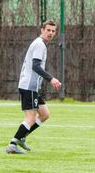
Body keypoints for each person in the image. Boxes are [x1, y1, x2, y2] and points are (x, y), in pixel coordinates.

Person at [6, 20, 62, 154]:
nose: (50, 33)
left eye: (53, 31)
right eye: (48, 30)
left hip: (32, 87)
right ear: (42, 30)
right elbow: (35, 66)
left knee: (44, 114)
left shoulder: (41, 44)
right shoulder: (39, 45)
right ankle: (13, 144)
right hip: (29, 86)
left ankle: (22, 137)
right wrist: (51, 79)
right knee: (31, 117)